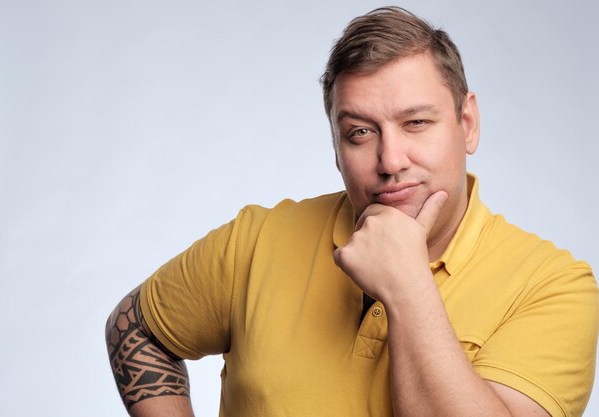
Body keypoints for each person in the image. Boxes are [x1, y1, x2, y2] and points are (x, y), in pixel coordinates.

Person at [105, 6, 598, 417]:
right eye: (360, 132)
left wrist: (406, 282)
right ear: (336, 146)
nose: (390, 161)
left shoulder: (555, 288)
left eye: (416, 123)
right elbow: (135, 328)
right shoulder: (257, 240)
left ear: (466, 123)